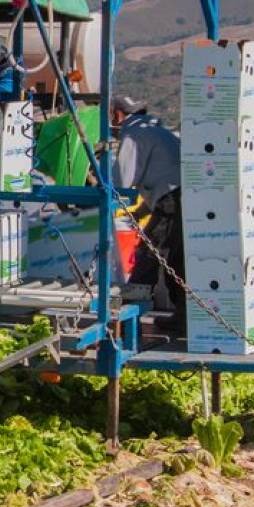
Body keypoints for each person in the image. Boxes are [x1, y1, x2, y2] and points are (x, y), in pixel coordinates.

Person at [110, 94, 185, 332]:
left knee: (151, 254)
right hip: (182, 195)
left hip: (171, 198)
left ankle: (128, 315)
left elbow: (122, 179)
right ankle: (183, 317)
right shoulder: (158, 129)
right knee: (176, 257)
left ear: (118, 115)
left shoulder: (133, 134)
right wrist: (142, 209)